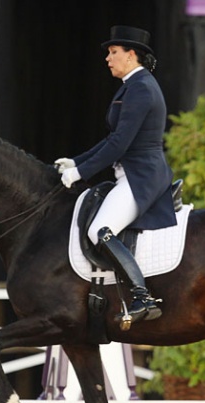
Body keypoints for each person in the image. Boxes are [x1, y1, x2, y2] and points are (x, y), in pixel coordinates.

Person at [55, 25, 177, 327]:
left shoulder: (141, 89)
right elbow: (112, 139)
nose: (108, 59)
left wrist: (81, 172)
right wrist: (75, 161)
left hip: (141, 177)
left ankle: (142, 295)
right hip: (133, 173)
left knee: (99, 229)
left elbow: (119, 144)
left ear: (131, 55)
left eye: (113, 53)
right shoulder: (132, 86)